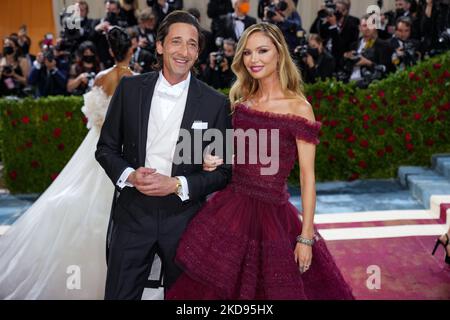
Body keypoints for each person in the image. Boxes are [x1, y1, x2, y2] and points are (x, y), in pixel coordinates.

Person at [166, 22, 354, 300]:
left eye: (263, 51)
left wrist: (305, 237)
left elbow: (307, 178)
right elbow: (242, 153)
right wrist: (213, 159)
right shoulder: (243, 100)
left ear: (279, 53)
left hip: (274, 216)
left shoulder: (299, 107)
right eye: (248, 53)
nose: (254, 60)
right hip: (232, 208)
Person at [0, 27, 165, 300]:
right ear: (131, 49)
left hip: (98, 144)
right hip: (125, 149)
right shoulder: (136, 80)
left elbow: (93, 114)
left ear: (110, 51)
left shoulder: (101, 78)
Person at [96, 11, 232, 300]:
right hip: (132, 213)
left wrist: (178, 184)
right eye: (176, 42)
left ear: (198, 52)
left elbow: (223, 172)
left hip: (185, 220)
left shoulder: (215, 103)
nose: (184, 52)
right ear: (159, 45)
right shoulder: (130, 90)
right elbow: (106, 148)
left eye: (193, 44)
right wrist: (129, 175)